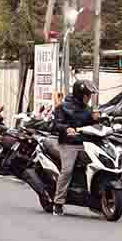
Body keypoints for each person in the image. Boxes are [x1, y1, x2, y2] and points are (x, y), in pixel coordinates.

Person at [51, 80, 99, 216]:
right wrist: (67, 128)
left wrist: (97, 119)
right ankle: (58, 202)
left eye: (90, 95)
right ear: (80, 95)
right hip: (69, 144)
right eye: (87, 95)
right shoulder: (63, 107)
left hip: (86, 144)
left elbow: (93, 126)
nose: (89, 98)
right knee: (67, 170)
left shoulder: (88, 110)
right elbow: (56, 125)